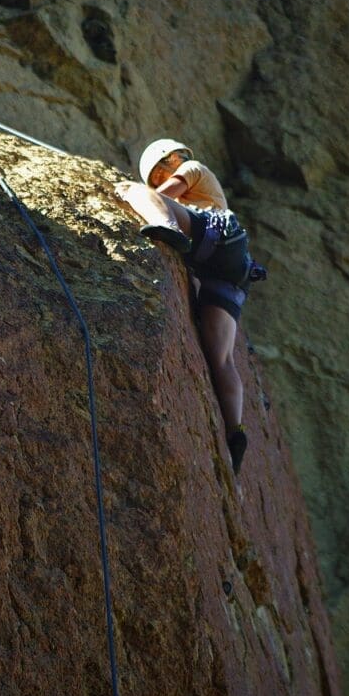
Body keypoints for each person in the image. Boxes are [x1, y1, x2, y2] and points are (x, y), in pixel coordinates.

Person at [115, 138, 264, 475]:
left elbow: (160, 196)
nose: (165, 174)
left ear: (176, 158)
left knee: (133, 192)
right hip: (227, 272)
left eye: (164, 167)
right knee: (221, 357)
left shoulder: (193, 169)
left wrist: (142, 190)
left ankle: (166, 228)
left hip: (216, 237)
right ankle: (235, 429)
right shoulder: (193, 187)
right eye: (159, 174)